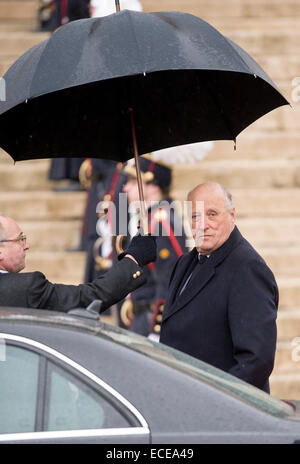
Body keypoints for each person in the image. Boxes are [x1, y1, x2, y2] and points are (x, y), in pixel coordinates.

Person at [159, 182, 278, 393]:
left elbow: (255, 361)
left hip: (222, 413)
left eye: (212, 214)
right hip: (179, 401)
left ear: (232, 215)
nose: (202, 225)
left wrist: (214, 399)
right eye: (195, 216)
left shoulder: (247, 268)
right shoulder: (184, 263)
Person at [0, 215, 156, 313]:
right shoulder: (27, 288)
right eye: (20, 239)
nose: (26, 245)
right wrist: (134, 258)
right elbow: (89, 298)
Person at [121, 155, 188, 337]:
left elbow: (171, 278)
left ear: (153, 185)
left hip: (152, 320)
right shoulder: (150, 220)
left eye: (133, 181)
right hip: (141, 318)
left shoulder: (161, 223)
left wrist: (158, 329)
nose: (125, 187)